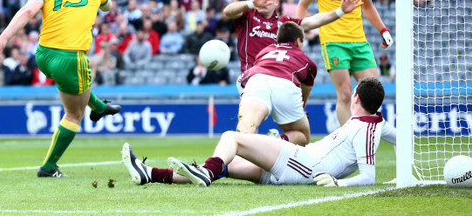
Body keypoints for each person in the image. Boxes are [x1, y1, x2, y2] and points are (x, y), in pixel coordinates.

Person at [0, 0, 121, 178]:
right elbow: (108, 6)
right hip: (71, 57)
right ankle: (48, 167)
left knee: (72, 86)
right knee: (74, 114)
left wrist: (2, 39)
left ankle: (100, 107)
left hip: (43, 55)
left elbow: (27, 12)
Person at [123, 77, 396, 187]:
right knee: (225, 165)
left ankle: (205, 173)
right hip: (301, 166)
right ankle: (152, 174)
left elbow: (369, 176)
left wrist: (339, 183)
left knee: (231, 138)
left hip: (303, 164)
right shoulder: (376, 123)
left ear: (356, 98)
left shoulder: (364, 128)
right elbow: (402, 139)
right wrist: (405, 175)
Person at [295, 0, 394, 126]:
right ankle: (349, 141)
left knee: (374, 92)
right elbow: (302, 6)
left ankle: (362, 131)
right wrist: (301, 32)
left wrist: (383, 30)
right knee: (346, 93)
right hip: (333, 41)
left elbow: (368, 6)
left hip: (359, 41)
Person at [223, 0, 362, 95]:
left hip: (277, 80)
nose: (262, 2)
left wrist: (340, 11)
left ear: (276, 2)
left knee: (298, 126)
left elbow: (313, 21)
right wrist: (252, 3)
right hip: (252, 79)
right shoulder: (247, 16)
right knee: (250, 121)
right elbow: (228, 11)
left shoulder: (283, 22)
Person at [236, 21, 316, 145]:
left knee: (247, 125)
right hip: (285, 84)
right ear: (298, 41)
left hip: (256, 80)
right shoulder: (308, 62)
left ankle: (237, 158)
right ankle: (277, 141)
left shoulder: (264, 51)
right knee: (302, 136)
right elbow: (303, 95)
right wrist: (302, 111)